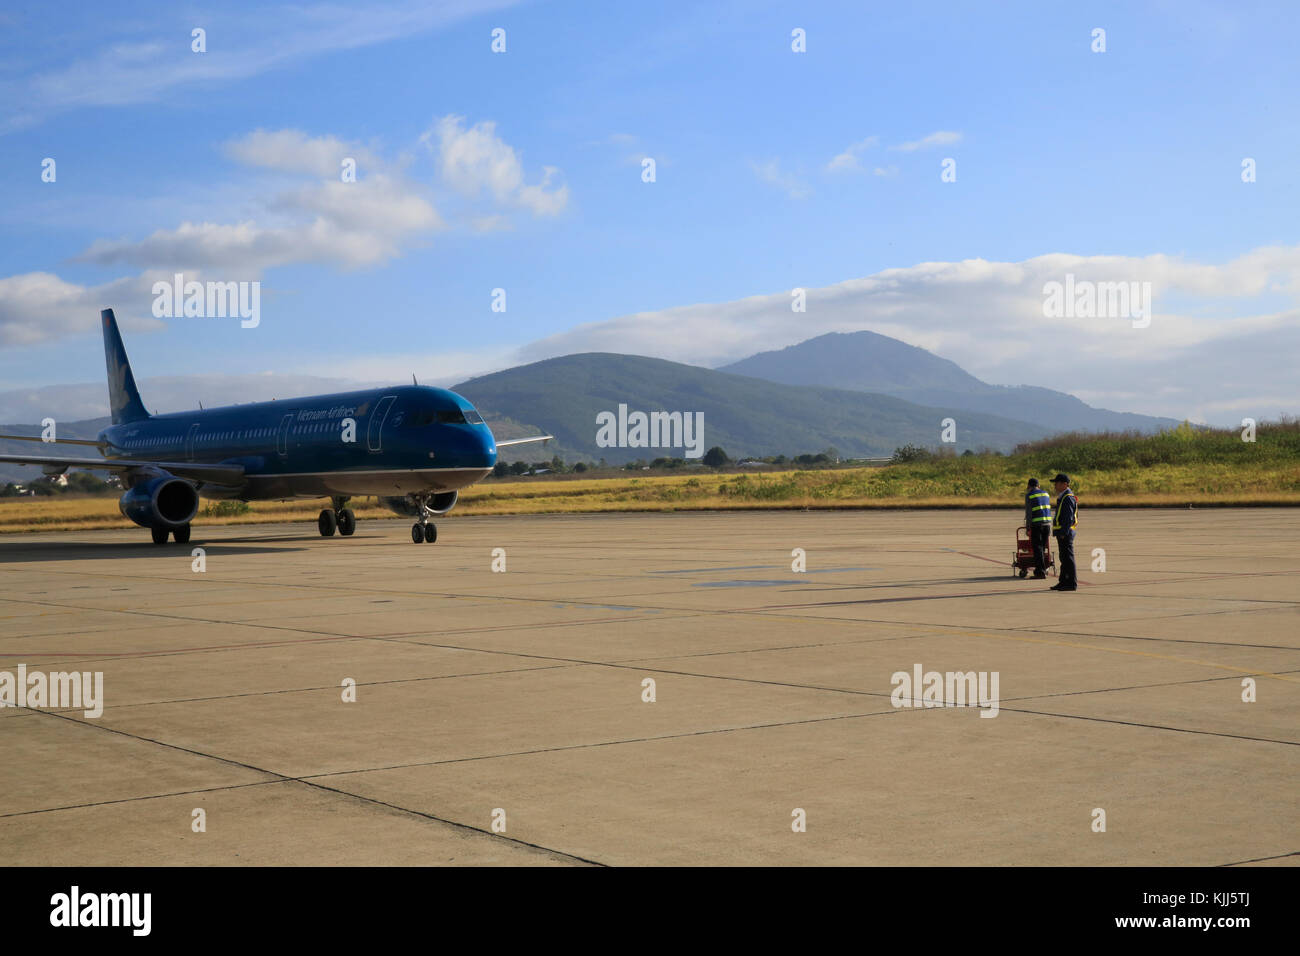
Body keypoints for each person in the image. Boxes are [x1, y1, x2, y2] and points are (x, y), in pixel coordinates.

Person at [1050, 473, 1078, 591]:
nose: (1055, 485)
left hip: (1065, 533)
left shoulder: (1068, 498)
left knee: (1068, 559)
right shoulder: (1063, 496)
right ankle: (1063, 581)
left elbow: (1068, 517)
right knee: (1063, 558)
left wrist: (1063, 532)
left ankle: (1071, 583)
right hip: (1062, 532)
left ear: (1064, 484)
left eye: (1057, 483)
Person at [1023, 478, 1053, 579]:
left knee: (1037, 549)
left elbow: (1029, 513)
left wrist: (1028, 528)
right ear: (1038, 486)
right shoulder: (1046, 494)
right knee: (1042, 548)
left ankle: (1040, 572)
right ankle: (1042, 569)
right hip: (1047, 525)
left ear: (1029, 487)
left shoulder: (1029, 495)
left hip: (1036, 525)